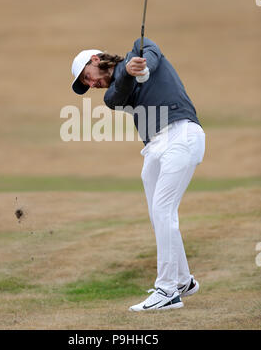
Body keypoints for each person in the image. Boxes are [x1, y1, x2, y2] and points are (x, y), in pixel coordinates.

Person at [71, 37, 205, 312]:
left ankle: (167, 290)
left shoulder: (140, 47)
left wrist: (142, 67)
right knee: (158, 215)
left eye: (88, 76)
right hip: (156, 147)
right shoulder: (112, 95)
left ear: (95, 60)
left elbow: (151, 55)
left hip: (181, 133)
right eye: (87, 84)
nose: (92, 84)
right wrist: (132, 73)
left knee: (164, 210)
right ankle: (183, 281)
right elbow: (119, 90)